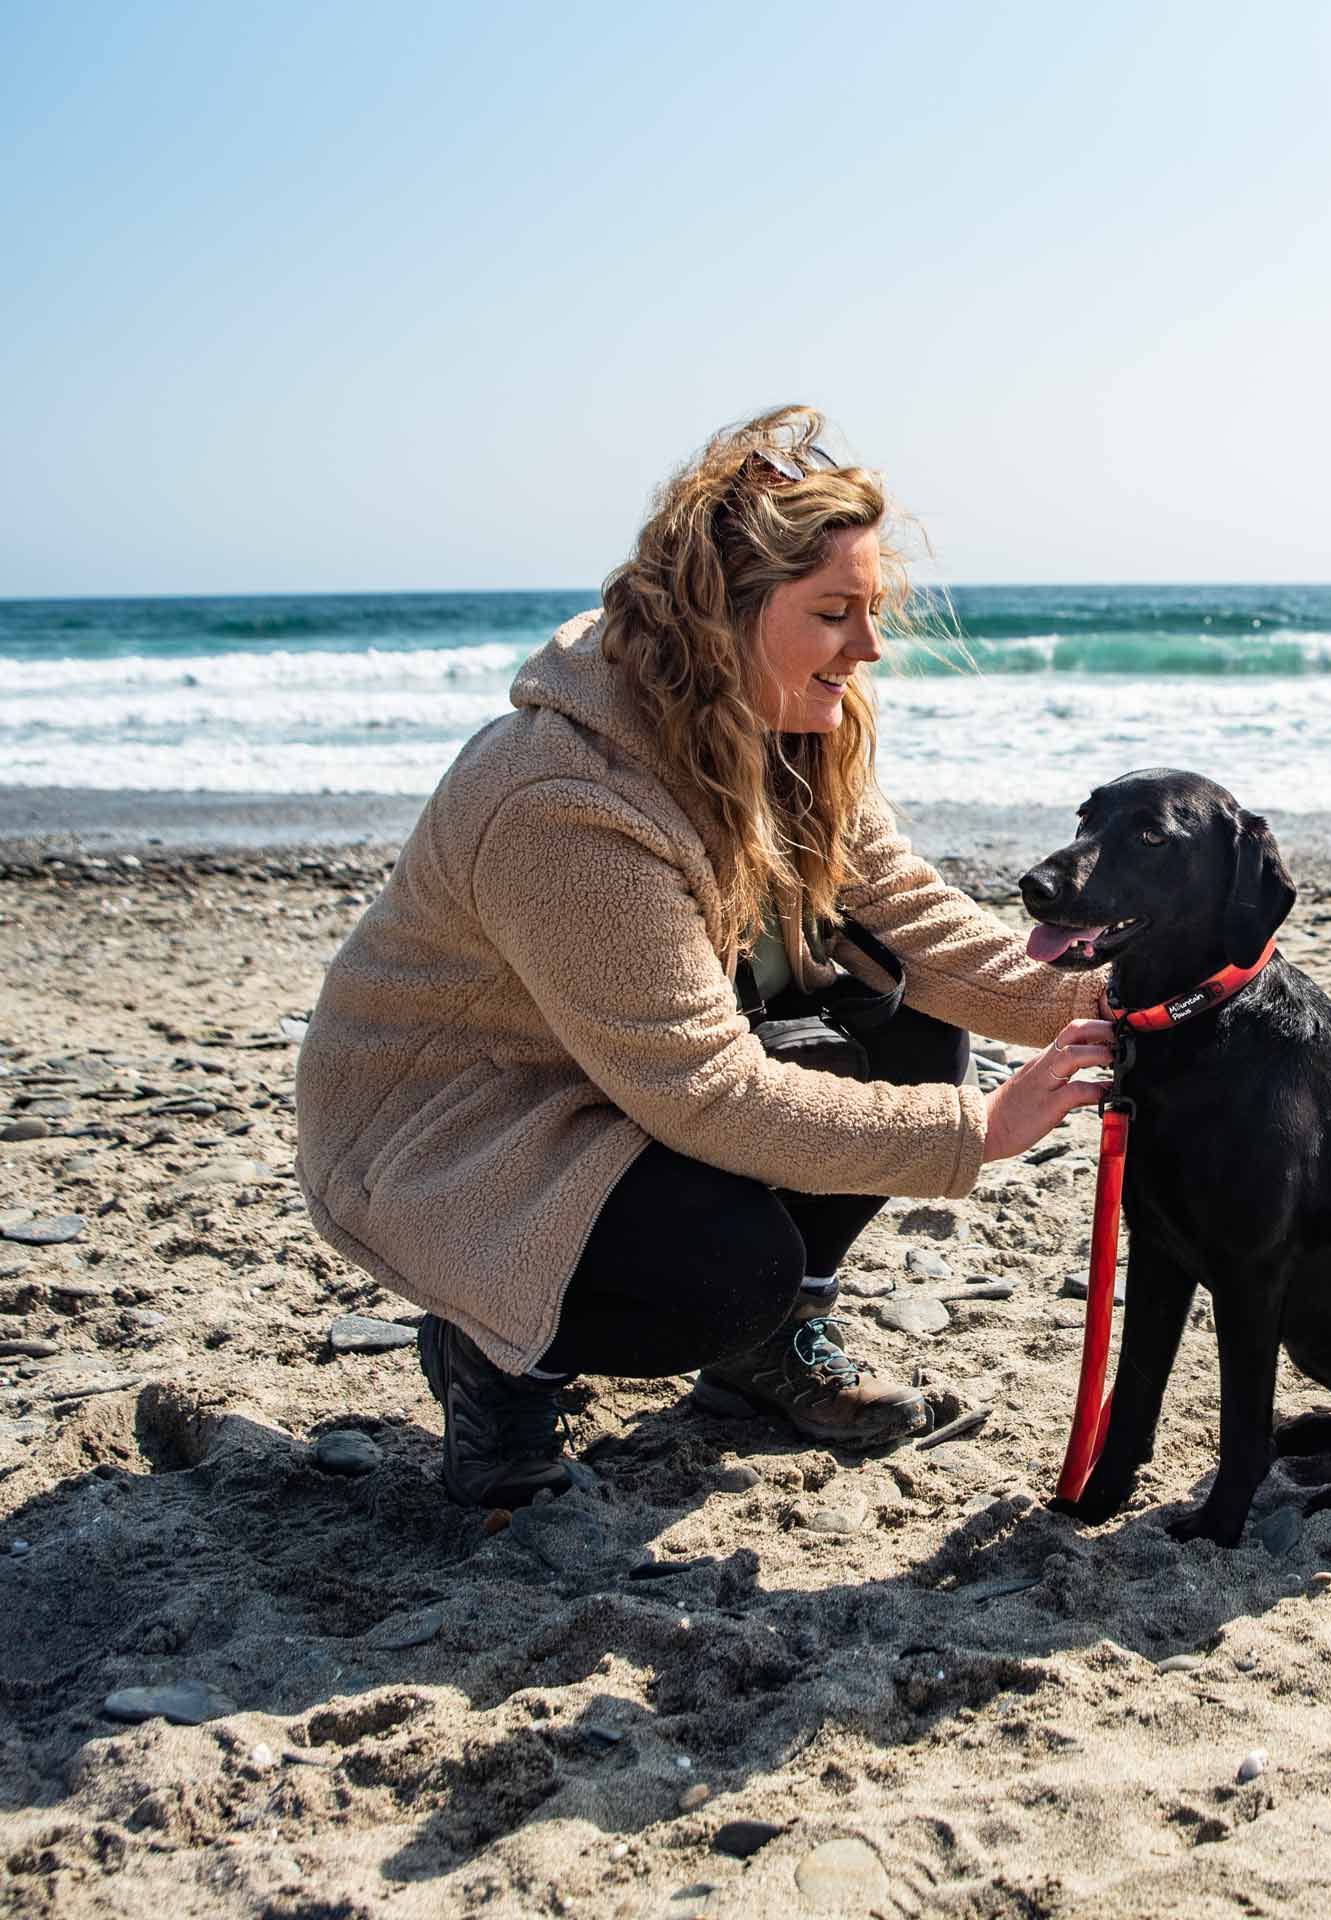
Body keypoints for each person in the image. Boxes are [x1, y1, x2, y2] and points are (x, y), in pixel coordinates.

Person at [293, 407, 1114, 1508]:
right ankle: (496, 1357)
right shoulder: (563, 796)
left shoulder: (785, 726)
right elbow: (706, 1092)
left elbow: (913, 920)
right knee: (727, 1272)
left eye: (873, 612)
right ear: (722, 614)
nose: (868, 650)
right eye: (834, 614)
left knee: (910, 1016)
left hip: (615, 1075)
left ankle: (766, 1354)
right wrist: (982, 1130)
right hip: (454, 1136)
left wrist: (1133, 997)